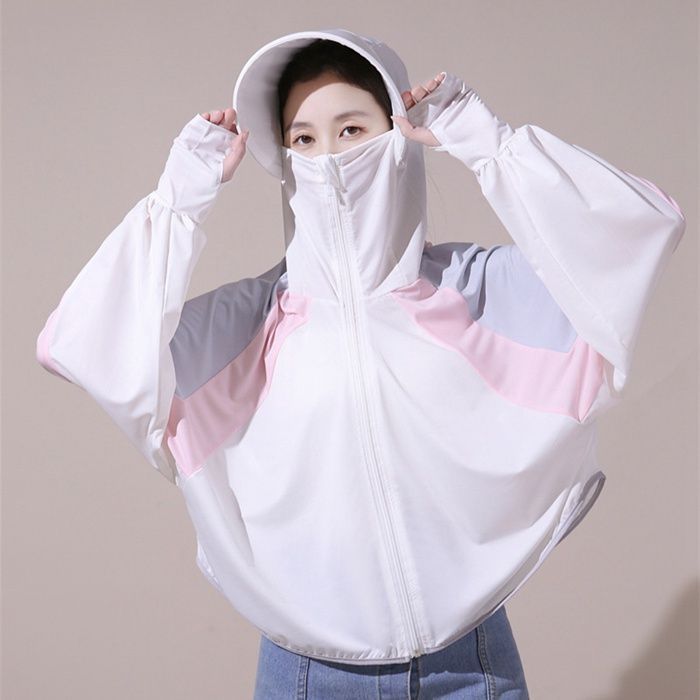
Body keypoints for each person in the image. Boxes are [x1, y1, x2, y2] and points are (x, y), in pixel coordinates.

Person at [36, 28, 685, 699]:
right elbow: (80, 340)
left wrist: (487, 142)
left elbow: (638, 228)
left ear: (398, 135)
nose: (328, 157)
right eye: (303, 138)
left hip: (472, 664)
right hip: (307, 674)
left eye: (351, 129)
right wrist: (179, 200)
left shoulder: (478, 293)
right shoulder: (244, 330)